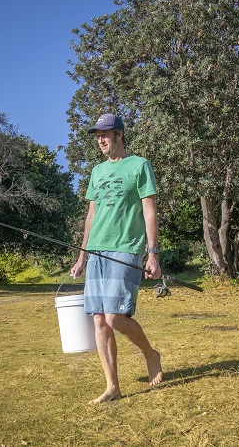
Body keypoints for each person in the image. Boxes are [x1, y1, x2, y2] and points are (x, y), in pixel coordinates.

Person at [70, 113, 164, 405]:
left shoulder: (139, 165)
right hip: (97, 249)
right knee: (99, 320)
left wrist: (152, 252)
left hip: (126, 247)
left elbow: (149, 210)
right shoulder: (97, 171)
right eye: (98, 135)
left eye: (106, 134)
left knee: (115, 316)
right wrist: (82, 256)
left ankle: (150, 354)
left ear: (120, 135)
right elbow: (92, 215)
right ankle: (112, 386)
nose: (100, 140)